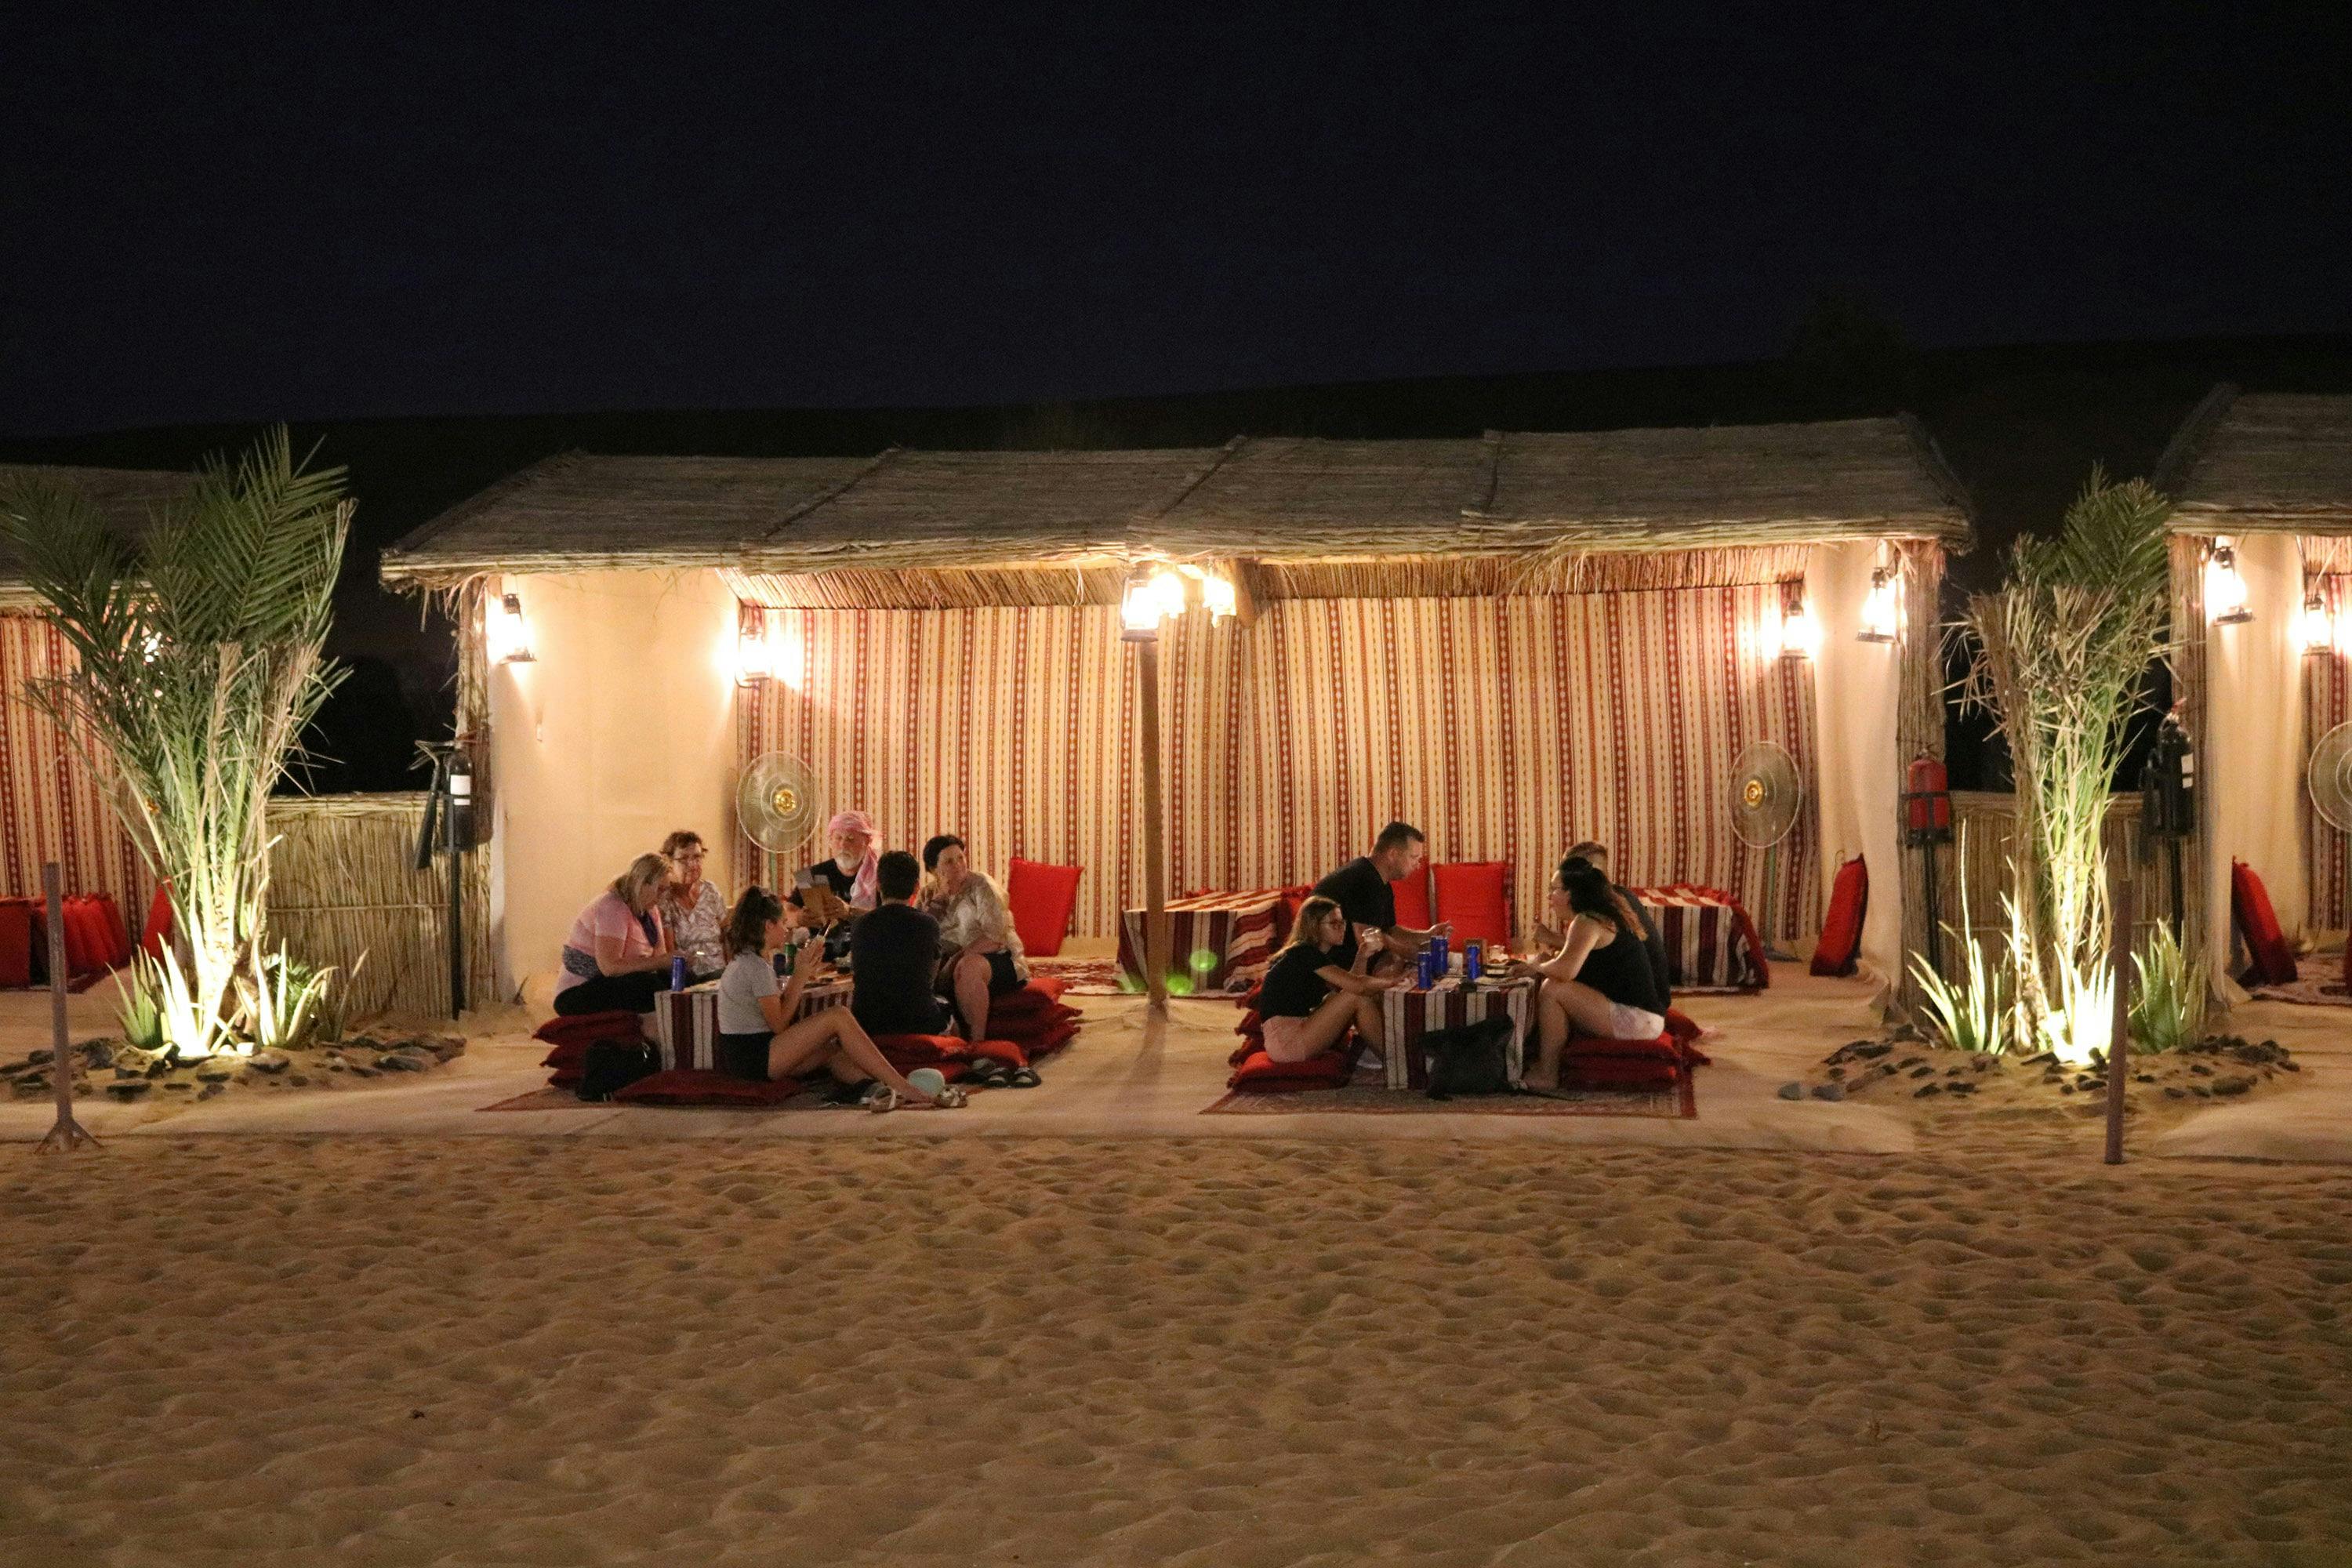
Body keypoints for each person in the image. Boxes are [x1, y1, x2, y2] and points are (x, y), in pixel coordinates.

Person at [713, 887, 963, 1109]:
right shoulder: (754, 967)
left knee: (835, 1052)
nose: (786, 927)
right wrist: (801, 975)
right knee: (839, 1016)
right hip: (754, 1059)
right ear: (768, 926)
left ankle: (877, 1088)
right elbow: (779, 1025)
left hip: (757, 1053)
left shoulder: (751, 963)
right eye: (781, 922)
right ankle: (903, 1087)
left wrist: (803, 971)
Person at [1513, 858, 1669, 1093]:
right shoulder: (1596, 915)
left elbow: (1565, 971)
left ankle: (1548, 1074)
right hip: (1639, 1014)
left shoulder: (1587, 921)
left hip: (1639, 1020)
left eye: (1555, 889)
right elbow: (1569, 960)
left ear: (1572, 893)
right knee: (1551, 981)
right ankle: (1542, 1060)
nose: (1549, 897)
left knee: (1553, 989)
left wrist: (1536, 965)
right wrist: (1543, 964)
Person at [1254, 895, 1407, 1064]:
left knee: (1344, 996)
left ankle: (1390, 1054)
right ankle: (1396, 1062)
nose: (1341, 928)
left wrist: (1362, 956)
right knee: (1357, 996)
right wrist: (1394, 982)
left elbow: (1348, 986)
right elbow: (1358, 987)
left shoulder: (1315, 954)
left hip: (1297, 1031)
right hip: (1287, 1041)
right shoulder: (1304, 952)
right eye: (1334, 923)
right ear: (1314, 926)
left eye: (1342, 922)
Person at [1535, 840, 1671, 1007]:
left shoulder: (1612, 903)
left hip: (1643, 1000)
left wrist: (1549, 944)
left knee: (1552, 985)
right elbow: (1601, 948)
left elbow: (1591, 952)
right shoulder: (1611, 897)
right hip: (1637, 995)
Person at [921, 834, 1029, 1044]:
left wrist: (955, 961)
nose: (959, 865)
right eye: (949, 861)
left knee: (967, 966)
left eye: (961, 858)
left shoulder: (981, 885)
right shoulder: (928, 895)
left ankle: (977, 1043)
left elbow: (995, 937)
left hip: (995, 957)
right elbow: (919, 936)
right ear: (934, 870)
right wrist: (935, 906)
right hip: (945, 963)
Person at [1312, 821, 1450, 970]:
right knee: (1396, 962)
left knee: (1398, 963)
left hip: (1351, 962)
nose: (1417, 865)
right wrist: (1414, 954)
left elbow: (1389, 930)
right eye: (1413, 857)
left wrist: (1427, 935)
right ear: (1393, 854)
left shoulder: (1380, 881)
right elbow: (1367, 939)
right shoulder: (1364, 879)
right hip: (1327, 966)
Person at [553, 854, 677, 1017]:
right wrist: (660, 962)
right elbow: (610, 967)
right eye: (659, 889)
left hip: (617, 981)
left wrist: (676, 963)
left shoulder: (650, 910)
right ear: (642, 884)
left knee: (679, 982)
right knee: (648, 986)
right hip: (579, 990)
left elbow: (658, 958)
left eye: (666, 890)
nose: (662, 896)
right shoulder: (613, 906)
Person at [850, 850, 956, 1038]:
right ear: (916, 887)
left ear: (878, 885)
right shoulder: (928, 924)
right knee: (953, 1015)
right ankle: (966, 1059)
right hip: (918, 1020)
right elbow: (931, 976)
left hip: (868, 1023)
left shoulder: (860, 924)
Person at [792, 810, 881, 960]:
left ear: (866, 842)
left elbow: (889, 920)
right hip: (822, 964)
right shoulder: (814, 875)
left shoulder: (880, 877)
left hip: (868, 960)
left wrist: (849, 912)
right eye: (838, 838)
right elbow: (787, 912)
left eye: (850, 839)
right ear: (830, 841)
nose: (843, 845)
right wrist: (799, 918)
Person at [658, 829, 727, 983]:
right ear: (669, 862)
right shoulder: (665, 900)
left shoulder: (711, 891)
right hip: (690, 977)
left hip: (721, 972)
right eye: (683, 859)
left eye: (697, 857)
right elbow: (670, 952)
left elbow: (727, 935)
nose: (692, 865)